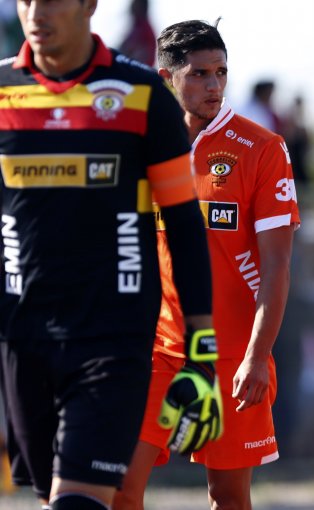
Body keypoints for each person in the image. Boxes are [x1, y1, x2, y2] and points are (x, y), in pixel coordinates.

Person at [0, 1, 220, 509]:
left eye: (52, 0)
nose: (36, 12)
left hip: (113, 339)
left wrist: (201, 342)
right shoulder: (4, 90)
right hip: (23, 337)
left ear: (89, 5)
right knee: (51, 497)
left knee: (79, 500)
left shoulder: (141, 96)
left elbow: (185, 226)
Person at [113, 20, 299, 510]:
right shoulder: (140, 145)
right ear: (165, 76)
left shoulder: (262, 148)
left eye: (221, 72)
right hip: (154, 349)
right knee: (120, 486)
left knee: (228, 495)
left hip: (232, 354)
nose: (214, 85)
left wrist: (258, 355)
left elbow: (278, 264)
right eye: (198, 74)